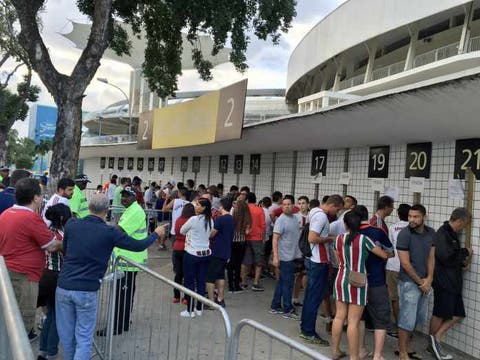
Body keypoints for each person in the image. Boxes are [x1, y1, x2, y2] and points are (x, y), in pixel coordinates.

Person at [55, 194, 166, 360]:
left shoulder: (72, 224)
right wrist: (156, 233)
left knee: (67, 336)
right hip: (87, 289)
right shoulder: (109, 232)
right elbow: (138, 245)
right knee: (84, 337)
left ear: (90, 206)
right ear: (107, 210)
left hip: (63, 286)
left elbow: (66, 247)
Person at [0, 178, 62, 340]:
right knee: (23, 321)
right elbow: (51, 246)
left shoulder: (6, 214)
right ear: (35, 198)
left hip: (8, 272)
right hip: (25, 276)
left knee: (9, 318)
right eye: (40, 195)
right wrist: (67, 242)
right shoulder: (31, 218)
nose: (41, 198)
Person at [331, 210, 389, 360]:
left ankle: (335, 350)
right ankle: (354, 356)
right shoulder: (364, 239)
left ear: (345, 224)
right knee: (353, 321)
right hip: (358, 281)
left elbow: (338, 260)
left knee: (338, 317)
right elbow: (383, 255)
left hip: (340, 279)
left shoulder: (338, 239)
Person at [428, 208, 473, 360]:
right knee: (439, 313)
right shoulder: (444, 233)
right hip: (444, 282)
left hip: (452, 281)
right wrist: (465, 252)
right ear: (460, 221)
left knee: (458, 314)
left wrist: (462, 263)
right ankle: (432, 344)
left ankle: (435, 339)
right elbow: (446, 257)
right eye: (465, 224)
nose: (464, 227)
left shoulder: (450, 234)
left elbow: (450, 258)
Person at [299, 194, 343, 345]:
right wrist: (329, 239)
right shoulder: (322, 217)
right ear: (332, 205)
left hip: (314, 259)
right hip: (318, 261)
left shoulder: (315, 211)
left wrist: (326, 236)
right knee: (314, 297)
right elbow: (312, 238)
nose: (336, 213)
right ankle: (308, 332)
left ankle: (305, 328)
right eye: (337, 209)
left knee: (311, 296)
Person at [396, 204, 436, 360]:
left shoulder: (431, 233)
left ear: (424, 217)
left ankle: (408, 347)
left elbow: (431, 257)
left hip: (424, 282)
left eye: (415, 217)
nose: (411, 220)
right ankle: (402, 352)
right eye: (410, 216)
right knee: (406, 319)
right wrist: (421, 282)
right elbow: (405, 263)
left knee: (417, 319)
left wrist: (430, 278)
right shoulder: (404, 235)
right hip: (409, 283)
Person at [355, 205, 394, 360]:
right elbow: (390, 253)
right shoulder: (378, 232)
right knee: (381, 317)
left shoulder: (351, 234)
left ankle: (361, 349)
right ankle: (377, 355)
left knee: (359, 316)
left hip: (356, 280)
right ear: (367, 215)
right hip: (376, 280)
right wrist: (380, 256)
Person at [109, 187, 150, 335]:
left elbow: (118, 231)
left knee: (122, 295)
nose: (123, 198)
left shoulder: (135, 211)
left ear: (135, 197)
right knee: (124, 293)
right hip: (127, 260)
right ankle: (123, 321)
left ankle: (118, 325)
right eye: (123, 196)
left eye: (127, 196)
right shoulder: (131, 209)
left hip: (128, 261)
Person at [37, 203, 72, 360]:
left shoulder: (47, 231)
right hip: (56, 277)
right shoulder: (61, 236)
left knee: (50, 315)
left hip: (45, 275)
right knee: (57, 317)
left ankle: (43, 351)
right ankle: (51, 352)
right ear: (63, 218)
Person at [179, 198, 214, 317]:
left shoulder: (193, 219)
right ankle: (199, 308)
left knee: (189, 282)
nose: (195, 206)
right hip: (206, 254)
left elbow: (182, 231)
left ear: (203, 208)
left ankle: (189, 310)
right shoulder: (211, 220)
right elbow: (209, 235)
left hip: (192, 254)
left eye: (198, 205)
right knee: (201, 281)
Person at [270, 197, 303, 320]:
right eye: (284, 204)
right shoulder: (280, 220)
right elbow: (275, 239)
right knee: (288, 284)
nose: (286, 206)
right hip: (285, 257)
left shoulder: (295, 218)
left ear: (293, 206)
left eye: (288, 204)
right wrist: (276, 256)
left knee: (282, 282)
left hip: (293, 255)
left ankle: (275, 305)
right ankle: (287, 309)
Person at [387, 204, 411, 335]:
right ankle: (407, 329)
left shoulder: (392, 227)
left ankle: (398, 327)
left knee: (394, 298)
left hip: (392, 266)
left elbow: (389, 247)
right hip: (408, 267)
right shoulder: (412, 229)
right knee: (407, 299)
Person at [207, 197, 235, 307]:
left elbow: (212, 234)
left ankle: (210, 301)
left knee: (210, 277)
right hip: (227, 251)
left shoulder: (219, 219)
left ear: (222, 206)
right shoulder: (232, 219)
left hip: (217, 251)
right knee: (221, 275)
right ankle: (220, 298)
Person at [241, 192, 266, 291]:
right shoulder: (259, 209)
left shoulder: (244, 210)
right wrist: (263, 238)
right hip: (257, 238)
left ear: (247, 200)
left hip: (245, 237)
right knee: (259, 261)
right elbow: (263, 225)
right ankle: (255, 283)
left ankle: (243, 282)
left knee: (245, 261)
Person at [172, 203, 195, 303]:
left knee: (178, 273)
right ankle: (186, 298)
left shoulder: (178, 220)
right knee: (187, 274)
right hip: (187, 248)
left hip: (177, 247)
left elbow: (175, 232)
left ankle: (176, 296)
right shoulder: (192, 221)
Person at [227, 199, 251, 293]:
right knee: (238, 265)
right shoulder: (247, 219)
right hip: (241, 243)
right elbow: (247, 232)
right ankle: (237, 285)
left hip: (232, 242)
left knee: (230, 265)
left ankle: (230, 286)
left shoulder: (232, 218)